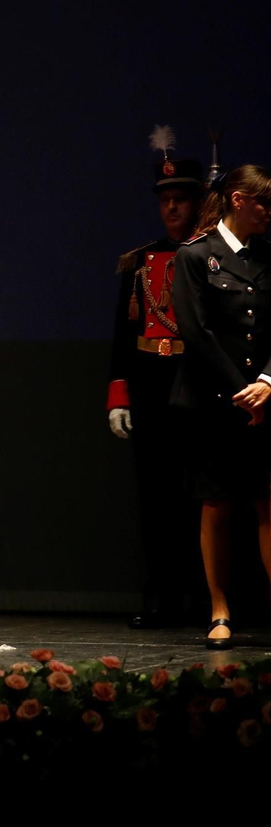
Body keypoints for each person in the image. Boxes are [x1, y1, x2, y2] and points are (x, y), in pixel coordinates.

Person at [171, 165, 271, 650]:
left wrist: (268, 382)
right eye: (262, 203)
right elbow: (196, 331)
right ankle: (218, 608)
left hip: (265, 401)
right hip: (214, 402)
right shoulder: (196, 256)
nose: (268, 213)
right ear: (237, 200)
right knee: (216, 504)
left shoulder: (269, 257)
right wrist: (243, 390)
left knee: (265, 501)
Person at [106, 151, 205, 628]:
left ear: (196, 203)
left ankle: (204, 597)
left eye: (180, 199)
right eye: (165, 199)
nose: (171, 208)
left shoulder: (209, 258)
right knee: (155, 500)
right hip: (151, 383)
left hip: (197, 383)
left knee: (200, 498)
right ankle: (160, 595)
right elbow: (122, 338)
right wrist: (119, 397)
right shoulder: (139, 261)